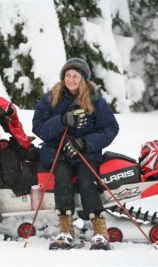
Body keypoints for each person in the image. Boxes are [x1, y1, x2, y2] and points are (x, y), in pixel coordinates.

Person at [32, 58, 119, 250]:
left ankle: (99, 231)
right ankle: (66, 230)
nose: (71, 79)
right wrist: (62, 121)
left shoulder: (95, 100)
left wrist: (84, 142)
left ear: (84, 79)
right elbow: (38, 128)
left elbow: (111, 128)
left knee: (86, 180)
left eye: (75, 76)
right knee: (61, 178)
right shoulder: (51, 97)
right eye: (68, 75)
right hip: (58, 153)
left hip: (85, 154)